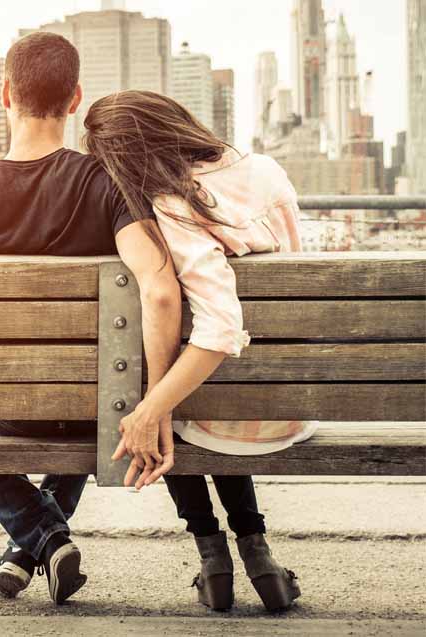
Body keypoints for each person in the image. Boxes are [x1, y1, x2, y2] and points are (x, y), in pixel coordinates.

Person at [0, 34, 183, 605]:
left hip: (4, 414)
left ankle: (37, 541)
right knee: (93, 393)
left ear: (5, 95)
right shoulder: (108, 185)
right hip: (88, 408)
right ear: (75, 100)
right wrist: (155, 403)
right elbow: (161, 293)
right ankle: (39, 541)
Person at [84, 89, 317, 612]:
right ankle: (258, 553)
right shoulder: (264, 168)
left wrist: (151, 406)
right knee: (187, 400)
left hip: (231, 413)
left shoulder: (176, 203)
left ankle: (214, 559)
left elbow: (219, 329)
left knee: (165, 408)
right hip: (289, 399)